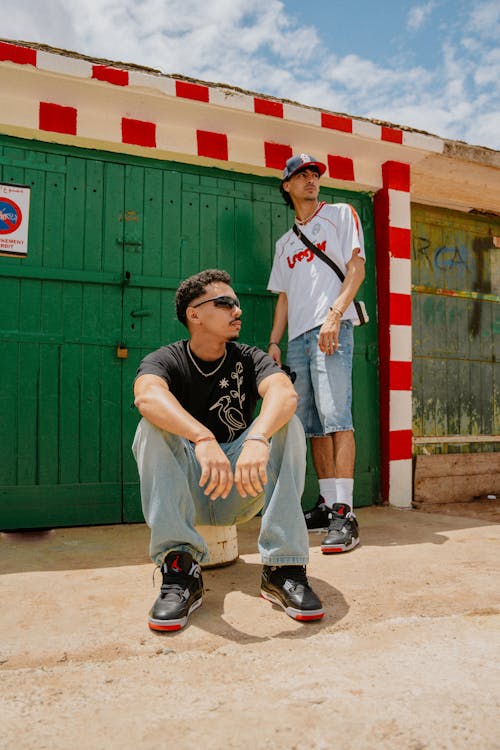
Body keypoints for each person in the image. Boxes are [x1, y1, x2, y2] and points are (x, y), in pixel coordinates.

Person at [132, 268, 324, 631]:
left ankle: (283, 567)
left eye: (237, 304)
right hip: (189, 485)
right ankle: (180, 568)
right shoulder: (166, 359)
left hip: (241, 486)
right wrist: (202, 438)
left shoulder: (249, 358)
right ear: (194, 314)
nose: (238, 310)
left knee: (288, 423)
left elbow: (285, 393)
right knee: (150, 427)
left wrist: (258, 437)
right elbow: (148, 395)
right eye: (225, 303)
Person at [267, 154, 366, 554]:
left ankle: (346, 512)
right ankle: (327, 505)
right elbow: (285, 298)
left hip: (332, 327)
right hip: (297, 339)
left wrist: (335, 314)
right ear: (287, 186)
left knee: (337, 416)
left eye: (314, 174)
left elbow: (355, 269)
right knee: (312, 424)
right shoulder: (285, 243)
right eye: (301, 175)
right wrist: (275, 341)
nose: (310, 180)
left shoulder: (341, 214)